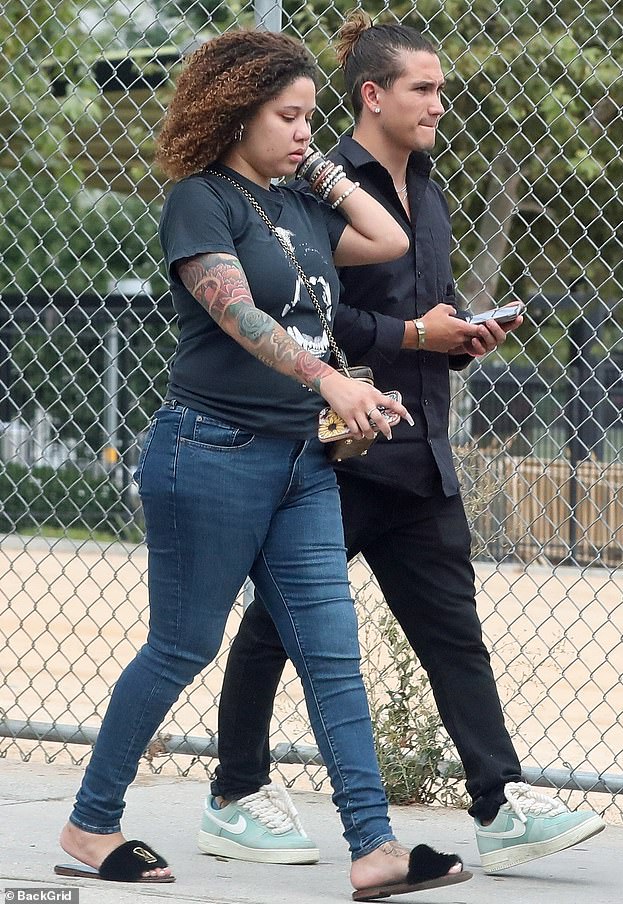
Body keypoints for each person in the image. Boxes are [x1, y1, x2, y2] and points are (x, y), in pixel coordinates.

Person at [53, 29, 473, 899]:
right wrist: (329, 378)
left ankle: (374, 850)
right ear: (235, 111)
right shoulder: (199, 201)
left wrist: (314, 165)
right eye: (286, 116)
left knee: (332, 652)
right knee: (183, 645)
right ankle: (91, 824)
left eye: (311, 118)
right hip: (208, 453)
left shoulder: (297, 205)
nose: (302, 133)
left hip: (301, 466)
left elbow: (386, 237)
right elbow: (239, 313)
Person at [206, 13, 605, 875]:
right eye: (423, 89)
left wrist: (458, 332)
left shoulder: (428, 189)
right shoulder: (317, 185)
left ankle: (498, 803)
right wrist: (411, 337)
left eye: (442, 90)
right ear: (373, 94)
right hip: (337, 453)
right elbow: (308, 314)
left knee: (453, 631)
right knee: (276, 623)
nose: (438, 105)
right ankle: (235, 792)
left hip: (421, 451)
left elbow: (424, 304)